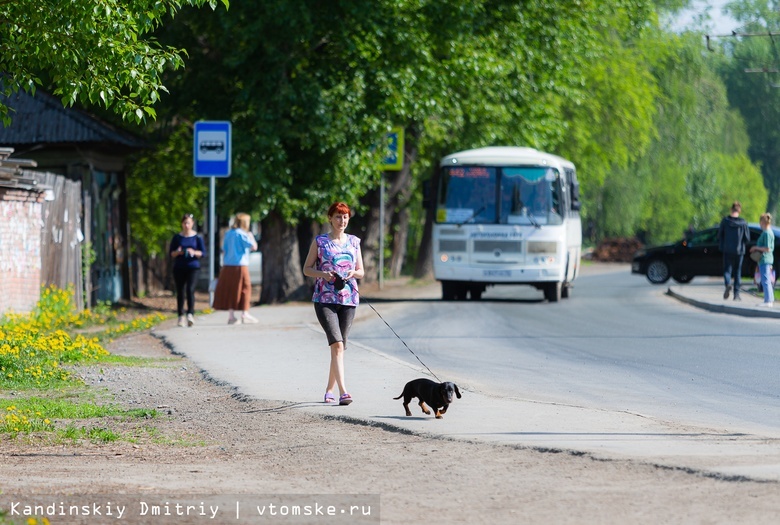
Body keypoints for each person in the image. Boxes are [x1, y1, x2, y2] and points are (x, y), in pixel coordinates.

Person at [302, 202, 365, 406]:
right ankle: (344, 392)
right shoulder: (320, 242)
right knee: (337, 344)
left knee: (339, 347)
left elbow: (361, 271)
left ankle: (329, 390)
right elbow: (307, 269)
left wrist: (352, 273)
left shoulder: (354, 242)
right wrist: (324, 275)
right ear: (330, 218)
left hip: (348, 299)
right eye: (338, 217)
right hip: (324, 299)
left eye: (345, 217)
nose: (342, 221)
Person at [212, 213, 258, 324]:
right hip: (240, 265)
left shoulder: (228, 233)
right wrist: (251, 236)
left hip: (227, 266)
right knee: (245, 288)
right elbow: (253, 247)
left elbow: (224, 250)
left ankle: (231, 316)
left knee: (231, 290)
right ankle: (244, 314)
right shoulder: (242, 234)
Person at [170, 214, 206, 327]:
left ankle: (190, 313)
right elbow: (171, 253)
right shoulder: (177, 238)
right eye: (184, 223)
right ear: (182, 224)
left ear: (192, 224)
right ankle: (180, 316)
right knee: (180, 291)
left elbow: (203, 253)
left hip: (193, 267)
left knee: (190, 290)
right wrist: (178, 252)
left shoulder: (197, 237)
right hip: (179, 267)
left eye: (188, 223)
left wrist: (193, 252)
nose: (186, 225)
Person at [717, 201, 750, 301]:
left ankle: (728, 284)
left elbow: (719, 235)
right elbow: (747, 238)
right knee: (737, 272)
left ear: (731, 209)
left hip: (727, 250)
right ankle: (736, 295)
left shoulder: (725, 221)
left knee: (727, 270)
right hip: (739, 251)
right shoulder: (743, 223)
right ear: (739, 210)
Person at [750, 213, 775, 307]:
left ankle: (768, 301)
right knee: (766, 279)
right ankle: (770, 300)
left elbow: (768, 248)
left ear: (762, 222)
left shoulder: (767, 233)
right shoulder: (768, 232)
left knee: (765, 280)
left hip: (765, 259)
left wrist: (756, 247)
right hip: (765, 259)